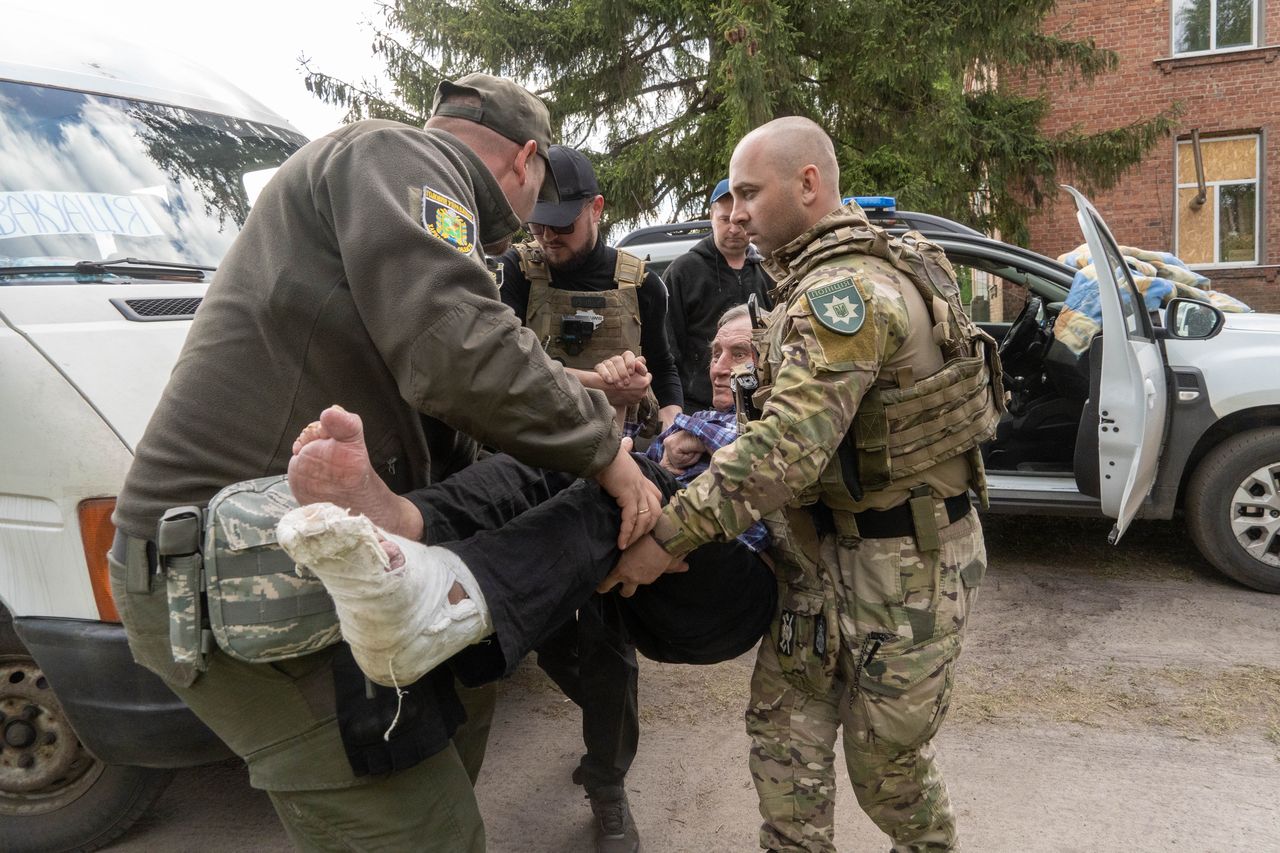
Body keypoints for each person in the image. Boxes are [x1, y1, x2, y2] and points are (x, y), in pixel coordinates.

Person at [108, 72, 663, 852]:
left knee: (451, 739)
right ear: (527, 160)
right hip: (239, 570)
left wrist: (584, 419)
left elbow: (457, 367)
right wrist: (608, 454)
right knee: (419, 832)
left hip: (330, 563)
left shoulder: (411, 201)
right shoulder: (396, 151)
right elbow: (458, 350)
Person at [607, 117, 1003, 852]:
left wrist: (665, 536)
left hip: (904, 569)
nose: (738, 210)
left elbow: (785, 445)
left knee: (889, 766)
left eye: (751, 192)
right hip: (816, 560)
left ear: (809, 185)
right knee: (784, 741)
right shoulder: (816, 278)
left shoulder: (846, 293)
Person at [495, 143, 682, 852]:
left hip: (619, 483)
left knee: (609, 637)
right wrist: (605, 383)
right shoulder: (519, 273)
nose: (547, 239)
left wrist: (670, 426)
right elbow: (509, 365)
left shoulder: (642, 282)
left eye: (561, 228)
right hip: (534, 477)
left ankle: (608, 781)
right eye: (539, 226)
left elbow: (667, 379)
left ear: (597, 210)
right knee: (543, 632)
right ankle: (611, 717)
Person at [664, 177, 773, 413]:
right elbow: (667, 351)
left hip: (761, 407)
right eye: (725, 219)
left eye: (738, 221)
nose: (733, 229)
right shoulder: (683, 272)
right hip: (698, 406)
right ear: (711, 217)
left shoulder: (768, 271)